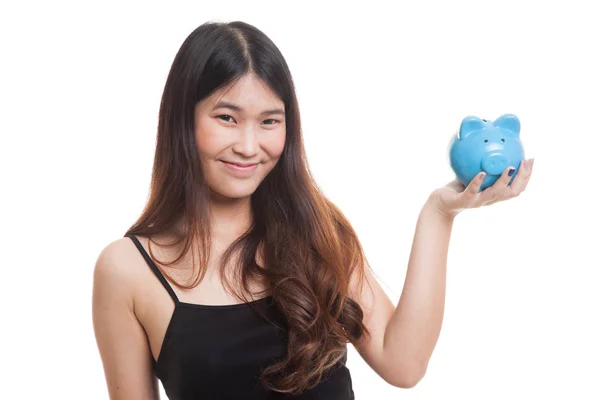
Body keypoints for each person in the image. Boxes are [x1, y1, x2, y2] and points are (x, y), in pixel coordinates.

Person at [91, 20, 534, 400]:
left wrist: (439, 213)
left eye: (269, 121)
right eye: (226, 118)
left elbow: (405, 364)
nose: (249, 146)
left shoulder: (315, 230)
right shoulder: (126, 270)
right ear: (183, 120)